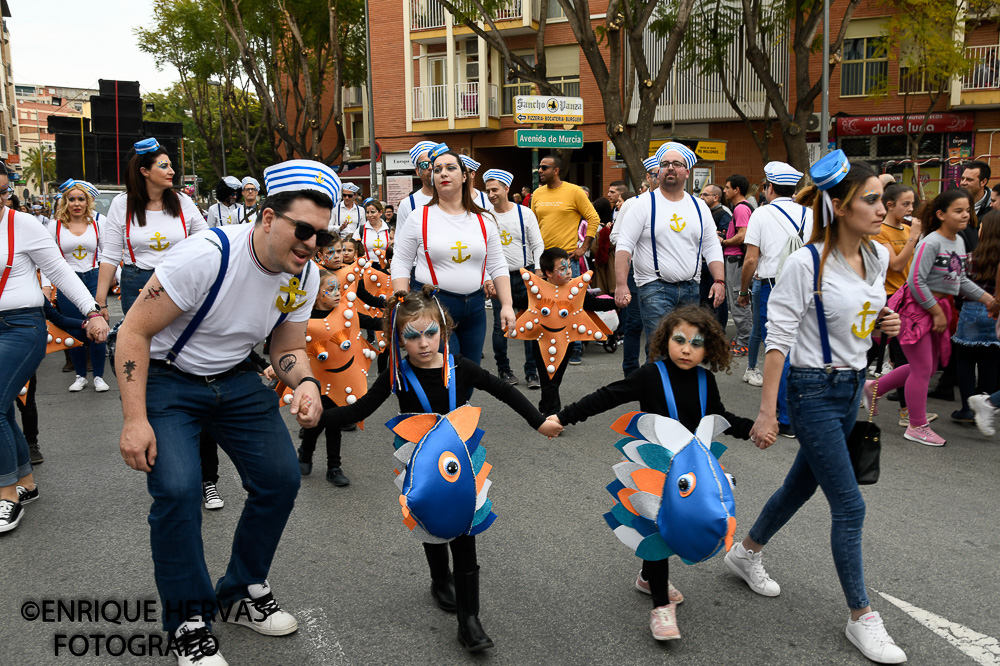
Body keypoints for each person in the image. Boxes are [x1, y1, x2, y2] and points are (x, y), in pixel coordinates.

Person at [112, 158, 338, 664]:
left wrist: (304, 382)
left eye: (322, 236)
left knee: (280, 479)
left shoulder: (304, 275)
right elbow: (133, 332)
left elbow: (286, 345)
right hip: (170, 379)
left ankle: (241, 592)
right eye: (303, 230)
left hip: (236, 378)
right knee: (177, 490)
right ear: (265, 217)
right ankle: (189, 619)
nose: (311, 245)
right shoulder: (206, 257)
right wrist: (134, 419)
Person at [730, 150, 908, 665]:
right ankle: (861, 617)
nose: (883, 208)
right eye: (871, 199)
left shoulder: (874, 256)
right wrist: (767, 413)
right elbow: (777, 342)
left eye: (882, 199)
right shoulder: (805, 263)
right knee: (850, 506)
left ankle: (746, 552)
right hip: (809, 391)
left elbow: (864, 313)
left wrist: (883, 326)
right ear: (839, 205)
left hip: (850, 388)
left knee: (800, 485)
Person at [319, 287, 562, 651]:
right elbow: (359, 410)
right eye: (411, 336)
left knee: (465, 532)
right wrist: (318, 418)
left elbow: (504, 391)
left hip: (459, 464)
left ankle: (469, 621)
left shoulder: (460, 367)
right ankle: (438, 578)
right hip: (417, 464)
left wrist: (538, 421)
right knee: (429, 522)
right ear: (398, 339)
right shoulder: (396, 373)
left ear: (444, 330)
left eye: (431, 333)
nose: (423, 344)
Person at [550, 305, 759, 641]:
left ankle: (647, 578)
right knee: (661, 534)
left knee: (685, 526)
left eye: (696, 343)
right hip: (655, 472)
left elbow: (720, 418)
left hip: (690, 474)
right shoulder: (650, 376)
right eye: (680, 340)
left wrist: (754, 429)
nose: (687, 349)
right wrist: (562, 417)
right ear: (665, 340)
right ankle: (661, 607)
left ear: (710, 349)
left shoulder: (706, 381)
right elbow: (608, 397)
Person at [0, 161, 109, 533]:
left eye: (3, 192)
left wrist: (92, 312)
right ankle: (25, 483)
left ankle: (6, 496)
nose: (0, 199)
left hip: (20, 326)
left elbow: (61, 272)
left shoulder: (24, 224)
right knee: (3, 409)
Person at [870, 190, 997, 446]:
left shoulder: (959, 242)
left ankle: (873, 389)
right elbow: (915, 281)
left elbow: (959, 280)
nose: (965, 215)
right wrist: (936, 311)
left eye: (967, 210)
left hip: (936, 308)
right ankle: (916, 425)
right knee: (923, 368)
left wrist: (988, 300)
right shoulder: (931, 242)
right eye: (958, 211)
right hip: (916, 310)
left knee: (924, 365)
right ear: (941, 215)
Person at [390, 143, 514, 368]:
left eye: (450, 168)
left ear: (465, 176)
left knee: (471, 372)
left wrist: (507, 305)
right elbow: (401, 261)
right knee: (448, 372)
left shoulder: (484, 219)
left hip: (475, 307)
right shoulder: (420, 217)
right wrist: (402, 303)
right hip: (433, 306)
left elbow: (497, 264)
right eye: (437, 170)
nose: (443, 173)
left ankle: (463, 405)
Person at [614, 142, 724, 352]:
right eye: (665, 164)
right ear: (659, 172)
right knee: (661, 349)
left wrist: (719, 281)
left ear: (687, 172)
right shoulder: (643, 204)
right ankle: (657, 385)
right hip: (654, 287)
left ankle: (679, 386)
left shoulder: (699, 206)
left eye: (676, 164)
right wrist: (621, 285)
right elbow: (624, 246)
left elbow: (711, 246)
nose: (671, 167)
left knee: (687, 349)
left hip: (692, 287)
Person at [737, 161, 813, 437]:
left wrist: (743, 292)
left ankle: (785, 417)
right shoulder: (810, 213)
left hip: (772, 286)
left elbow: (751, 260)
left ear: (768, 187)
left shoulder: (762, 214)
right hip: (806, 287)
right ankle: (801, 411)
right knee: (802, 349)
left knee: (779, 351)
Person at [96, 139, 208, 316]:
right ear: (145, 171)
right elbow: (110, 255)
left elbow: (207, 242)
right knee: (141, 341)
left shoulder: (183, 201)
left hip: (178, 279)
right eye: (164, 166)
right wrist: (100, 303)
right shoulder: (122, 203)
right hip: (137, 282)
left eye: (171, 166)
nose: (171, 171)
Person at [294, 268, 381, 486]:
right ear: (314, 294)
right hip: (314, 380)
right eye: (330, 289)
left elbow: (369, 322)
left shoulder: (345, 313)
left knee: (334, 420)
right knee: (317, 418)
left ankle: (334, 467)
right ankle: (307, 451)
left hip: (341, 380)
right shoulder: (302, 319)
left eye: (339, 289)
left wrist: (397, 320)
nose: (336, 293)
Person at [523, 247, 618, 416]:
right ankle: (553, 415)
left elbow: (593, 303)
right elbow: (519, 300)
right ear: (548, 273)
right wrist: (500, 296)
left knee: (556, 378)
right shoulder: (537, 291)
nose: (567, 272)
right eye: (561, 269)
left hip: (567, 340)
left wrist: (617, 303)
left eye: (568, 267)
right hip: (542, 341)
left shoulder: (575, 290)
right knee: (549, 378)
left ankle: (545, 406)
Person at [871, 184, 931, 427]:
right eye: (906, 204)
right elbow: (895, 265)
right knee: (900, 355)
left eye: (912, 204)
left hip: (906, 298)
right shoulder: (880, 230)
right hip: (888, 298)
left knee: (896, 354)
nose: (910, 209)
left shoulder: (907, 228)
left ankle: (871, 393)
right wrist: (915, 237)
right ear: (889, 205)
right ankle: (907, 412)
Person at [482, 168, 543, 387]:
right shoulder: (484, 216)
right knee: (501, 325)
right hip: (499, 277)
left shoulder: (524, 213)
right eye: (488, 190)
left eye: (495, 189)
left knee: (529, 324)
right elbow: (482, 251)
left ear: (507, 189)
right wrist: (488, 278)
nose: (491, 195)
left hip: (525, 274)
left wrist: (537, 270)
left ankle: (532, 371)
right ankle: (504, 369)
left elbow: (538, 244)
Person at [50, 179, 110, 393]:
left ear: (88, 201)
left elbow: (107, 255)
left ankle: (99, 377)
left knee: (97, 326)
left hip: (93, 277)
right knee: (75, 329)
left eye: (81, 199)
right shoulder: (55, 225)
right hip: (67, 280)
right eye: (72, 199)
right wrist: (49, 287)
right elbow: (49, 259)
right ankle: (80, 375)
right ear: (65, 202)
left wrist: (112, 279)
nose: (77, 203)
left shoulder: (98, 222)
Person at [611, 156, 660, 377]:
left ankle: (653, 371)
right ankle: (631, 372)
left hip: (662, 277)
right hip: (636, 273)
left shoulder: (681, 204)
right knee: (634, 323)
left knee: (658, 328)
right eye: (657, 174)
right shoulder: (633, 203)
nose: (663, 177)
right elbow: (616, 236)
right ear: (649, 177)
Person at [951, 211, 1000, 422]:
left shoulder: (969, 259)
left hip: (971, 309)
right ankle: (985, 406)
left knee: (966, 361)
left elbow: (958, 286)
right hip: (996, 312)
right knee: (990, 363)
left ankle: (966, 409)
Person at [721, 175, 754, 356]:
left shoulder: (741, 208)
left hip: (737, 258)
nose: (724, 191)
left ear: (736, 190)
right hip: (735, 259)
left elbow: (742, 236)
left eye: (727, 187)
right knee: (735, 300)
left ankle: (744, 342)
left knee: (738, 300)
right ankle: (742, 338)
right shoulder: (740, 208)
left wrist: (723, 241)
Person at [699, 183, 731, 330]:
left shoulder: (723, 213)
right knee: (704, 298)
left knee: (718, 298)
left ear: (716, 197)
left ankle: (719, 329)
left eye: (705, 195)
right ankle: (706, 328)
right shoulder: (703, 211)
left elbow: (725, 235)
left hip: (715, 263)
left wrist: (719, 236)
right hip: (701, 263)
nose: (701, 197)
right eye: (701, 194)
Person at [395, 140, 437, 235]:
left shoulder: (454, 199)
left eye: (434, 162)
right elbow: (400, 244)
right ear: (417, 171)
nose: (430, 167)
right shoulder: (408, 204)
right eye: (424, 164)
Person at [353, 197, 391, 266]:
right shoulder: (361, 229)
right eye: (367, 212)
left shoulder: (389, 229)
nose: (370, 215)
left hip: (386, 267)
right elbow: (353, 247)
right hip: (366, 267)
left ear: (381, 212)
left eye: (373, 212)